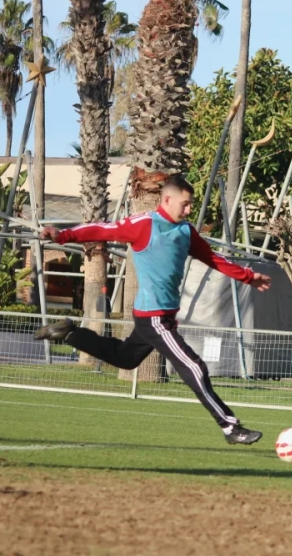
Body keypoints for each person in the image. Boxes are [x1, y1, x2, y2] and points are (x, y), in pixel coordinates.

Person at [34, 173, 272, 446]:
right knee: (194, 367)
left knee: (125, 358)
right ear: (167, 200)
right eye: (185, 204)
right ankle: (230, 427)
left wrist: (247, 277)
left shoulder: (186, 232)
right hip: (154, 317)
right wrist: (62, 235)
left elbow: (212, 257)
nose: (189, 210)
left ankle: (70, 334)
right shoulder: (144, 225)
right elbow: (102, 229)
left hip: (164, 316)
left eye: (191, 205)